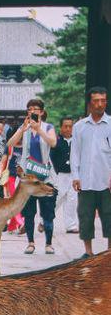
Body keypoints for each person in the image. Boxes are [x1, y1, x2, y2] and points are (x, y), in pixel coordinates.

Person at [7, 98, 58, 255]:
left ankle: (48, 244)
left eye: (35, 109)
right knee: (29, 213)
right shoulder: (25, 128)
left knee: (47, 213)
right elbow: (10, 143)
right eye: (29, 109)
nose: (32, 111)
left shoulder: (48, 127)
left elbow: (53, 143)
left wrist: (39, 129)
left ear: (41, 112)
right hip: (28, 179)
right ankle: (30, 243)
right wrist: (22, 130)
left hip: (45, 177)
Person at [71, 86, 111, 258]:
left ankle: (109, 253)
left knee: (109, 216)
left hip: (107, 181)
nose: (100, 104)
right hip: (86, 181)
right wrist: (75, 176)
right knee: (85, 216)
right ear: (89, 103)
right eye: (96, 101)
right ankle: (88, 252)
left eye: (103, 101)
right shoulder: (79, 127)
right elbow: (75, 153)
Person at [50, 116, 79, 233]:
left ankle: (71, 225)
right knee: (57, 199)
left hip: (73, 175)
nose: (68, 129)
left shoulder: (77, 141)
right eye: (65, 126)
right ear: (61, 127)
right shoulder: (56, 141)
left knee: (72, 200)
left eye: (70, 126)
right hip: (60, 175)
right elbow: (51, 159)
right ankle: (44, 220)